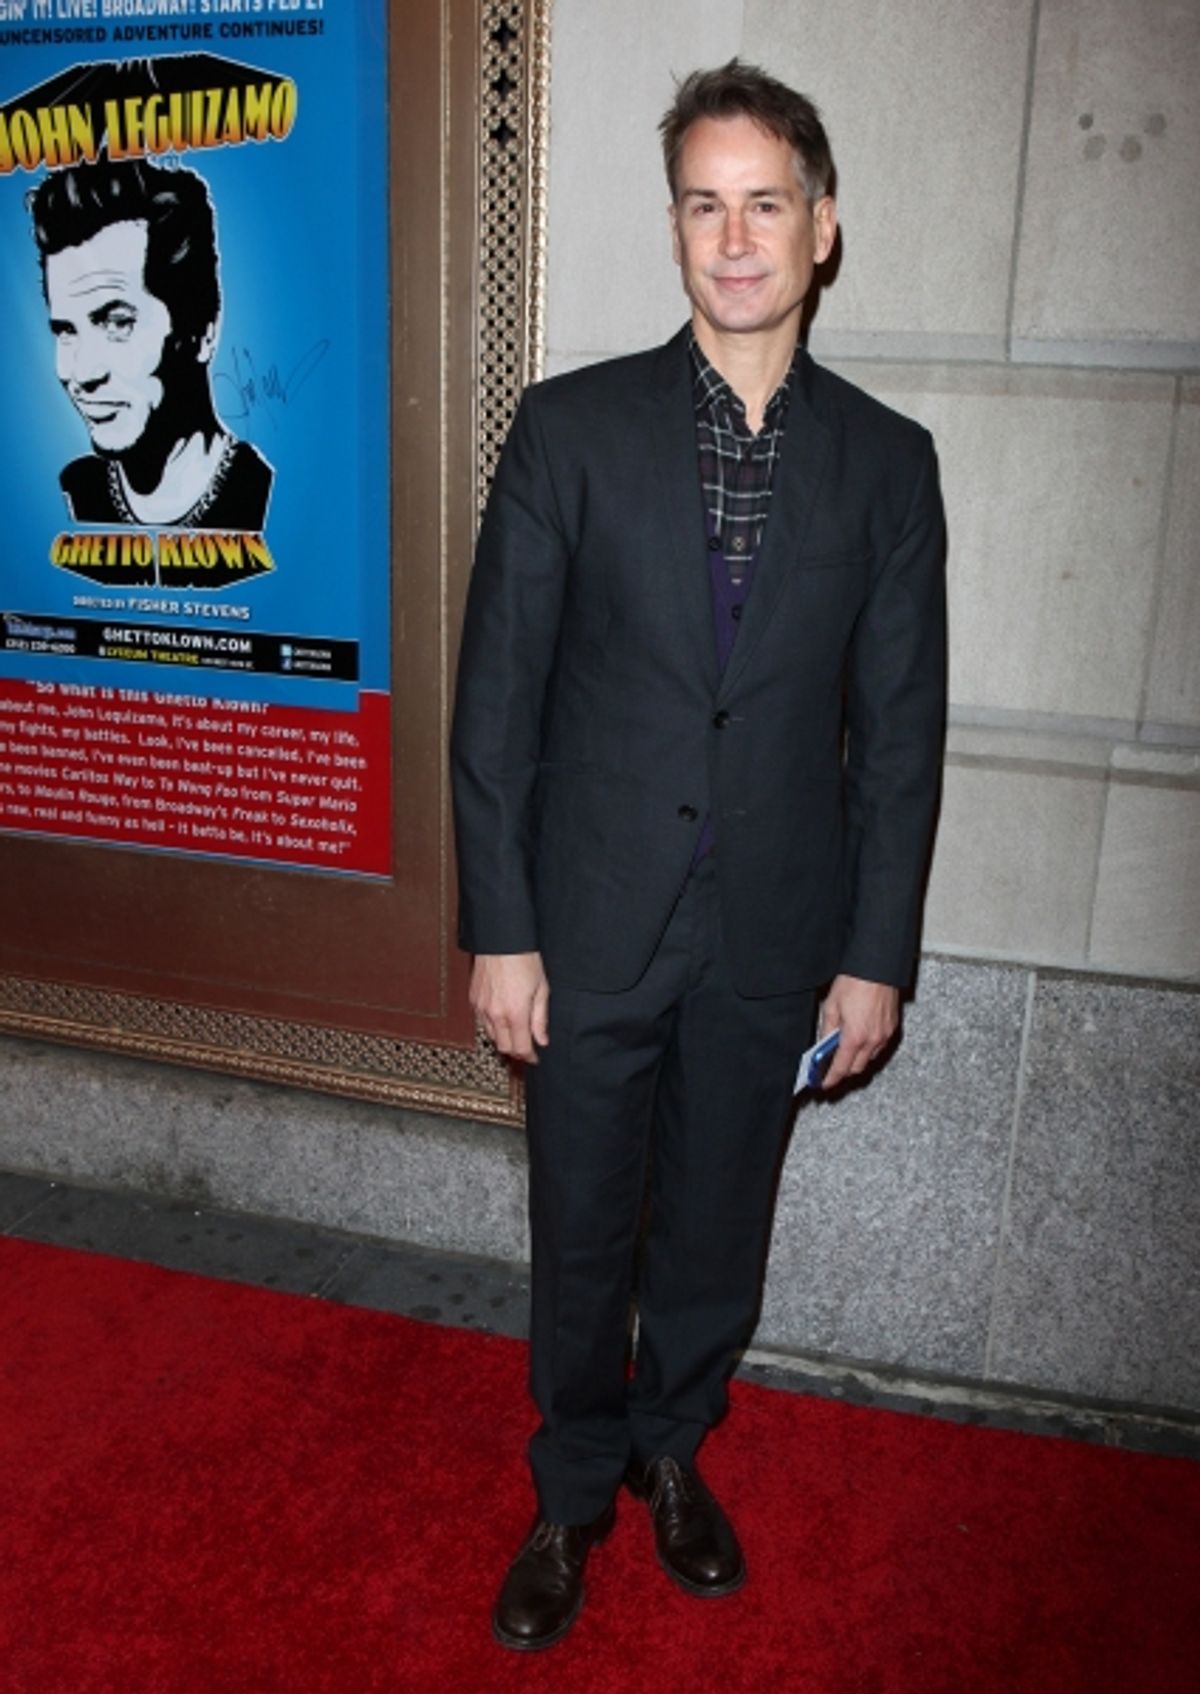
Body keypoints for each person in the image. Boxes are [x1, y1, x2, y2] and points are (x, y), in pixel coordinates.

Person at [451, 59, 947, 1651]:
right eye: (703, 204)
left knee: (722, 1214)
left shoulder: (890, 463)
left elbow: (901, 734)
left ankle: (674, 1450)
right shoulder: (570, 428)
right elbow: (497, 702)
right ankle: (572, 1489)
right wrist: (501, 926)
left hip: (774, 932)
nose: (734, 237)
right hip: (590, 922)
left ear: (823, 228)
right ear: (675, 227)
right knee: (583, 1221)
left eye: (765, 203)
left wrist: (875, 953)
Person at [29, 156, 272, 531]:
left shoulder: (264, 499)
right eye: (66, 330)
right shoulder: (69, 495)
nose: (81, 372)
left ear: (202, 330)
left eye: (117, 323)